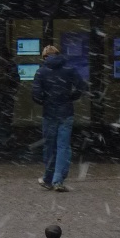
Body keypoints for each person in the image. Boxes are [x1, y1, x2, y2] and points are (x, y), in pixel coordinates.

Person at [32, 44, 87, 192]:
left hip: (49, 114)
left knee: (50, 146)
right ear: (58, 55)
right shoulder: (69, 70)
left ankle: (49, 178)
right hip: (66, 112)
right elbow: (81, 87)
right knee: (63, 146)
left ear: (45, 57)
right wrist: (70, 98)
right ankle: (57, 180)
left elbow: (36, 95)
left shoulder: (41, 72)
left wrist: (46, 101)